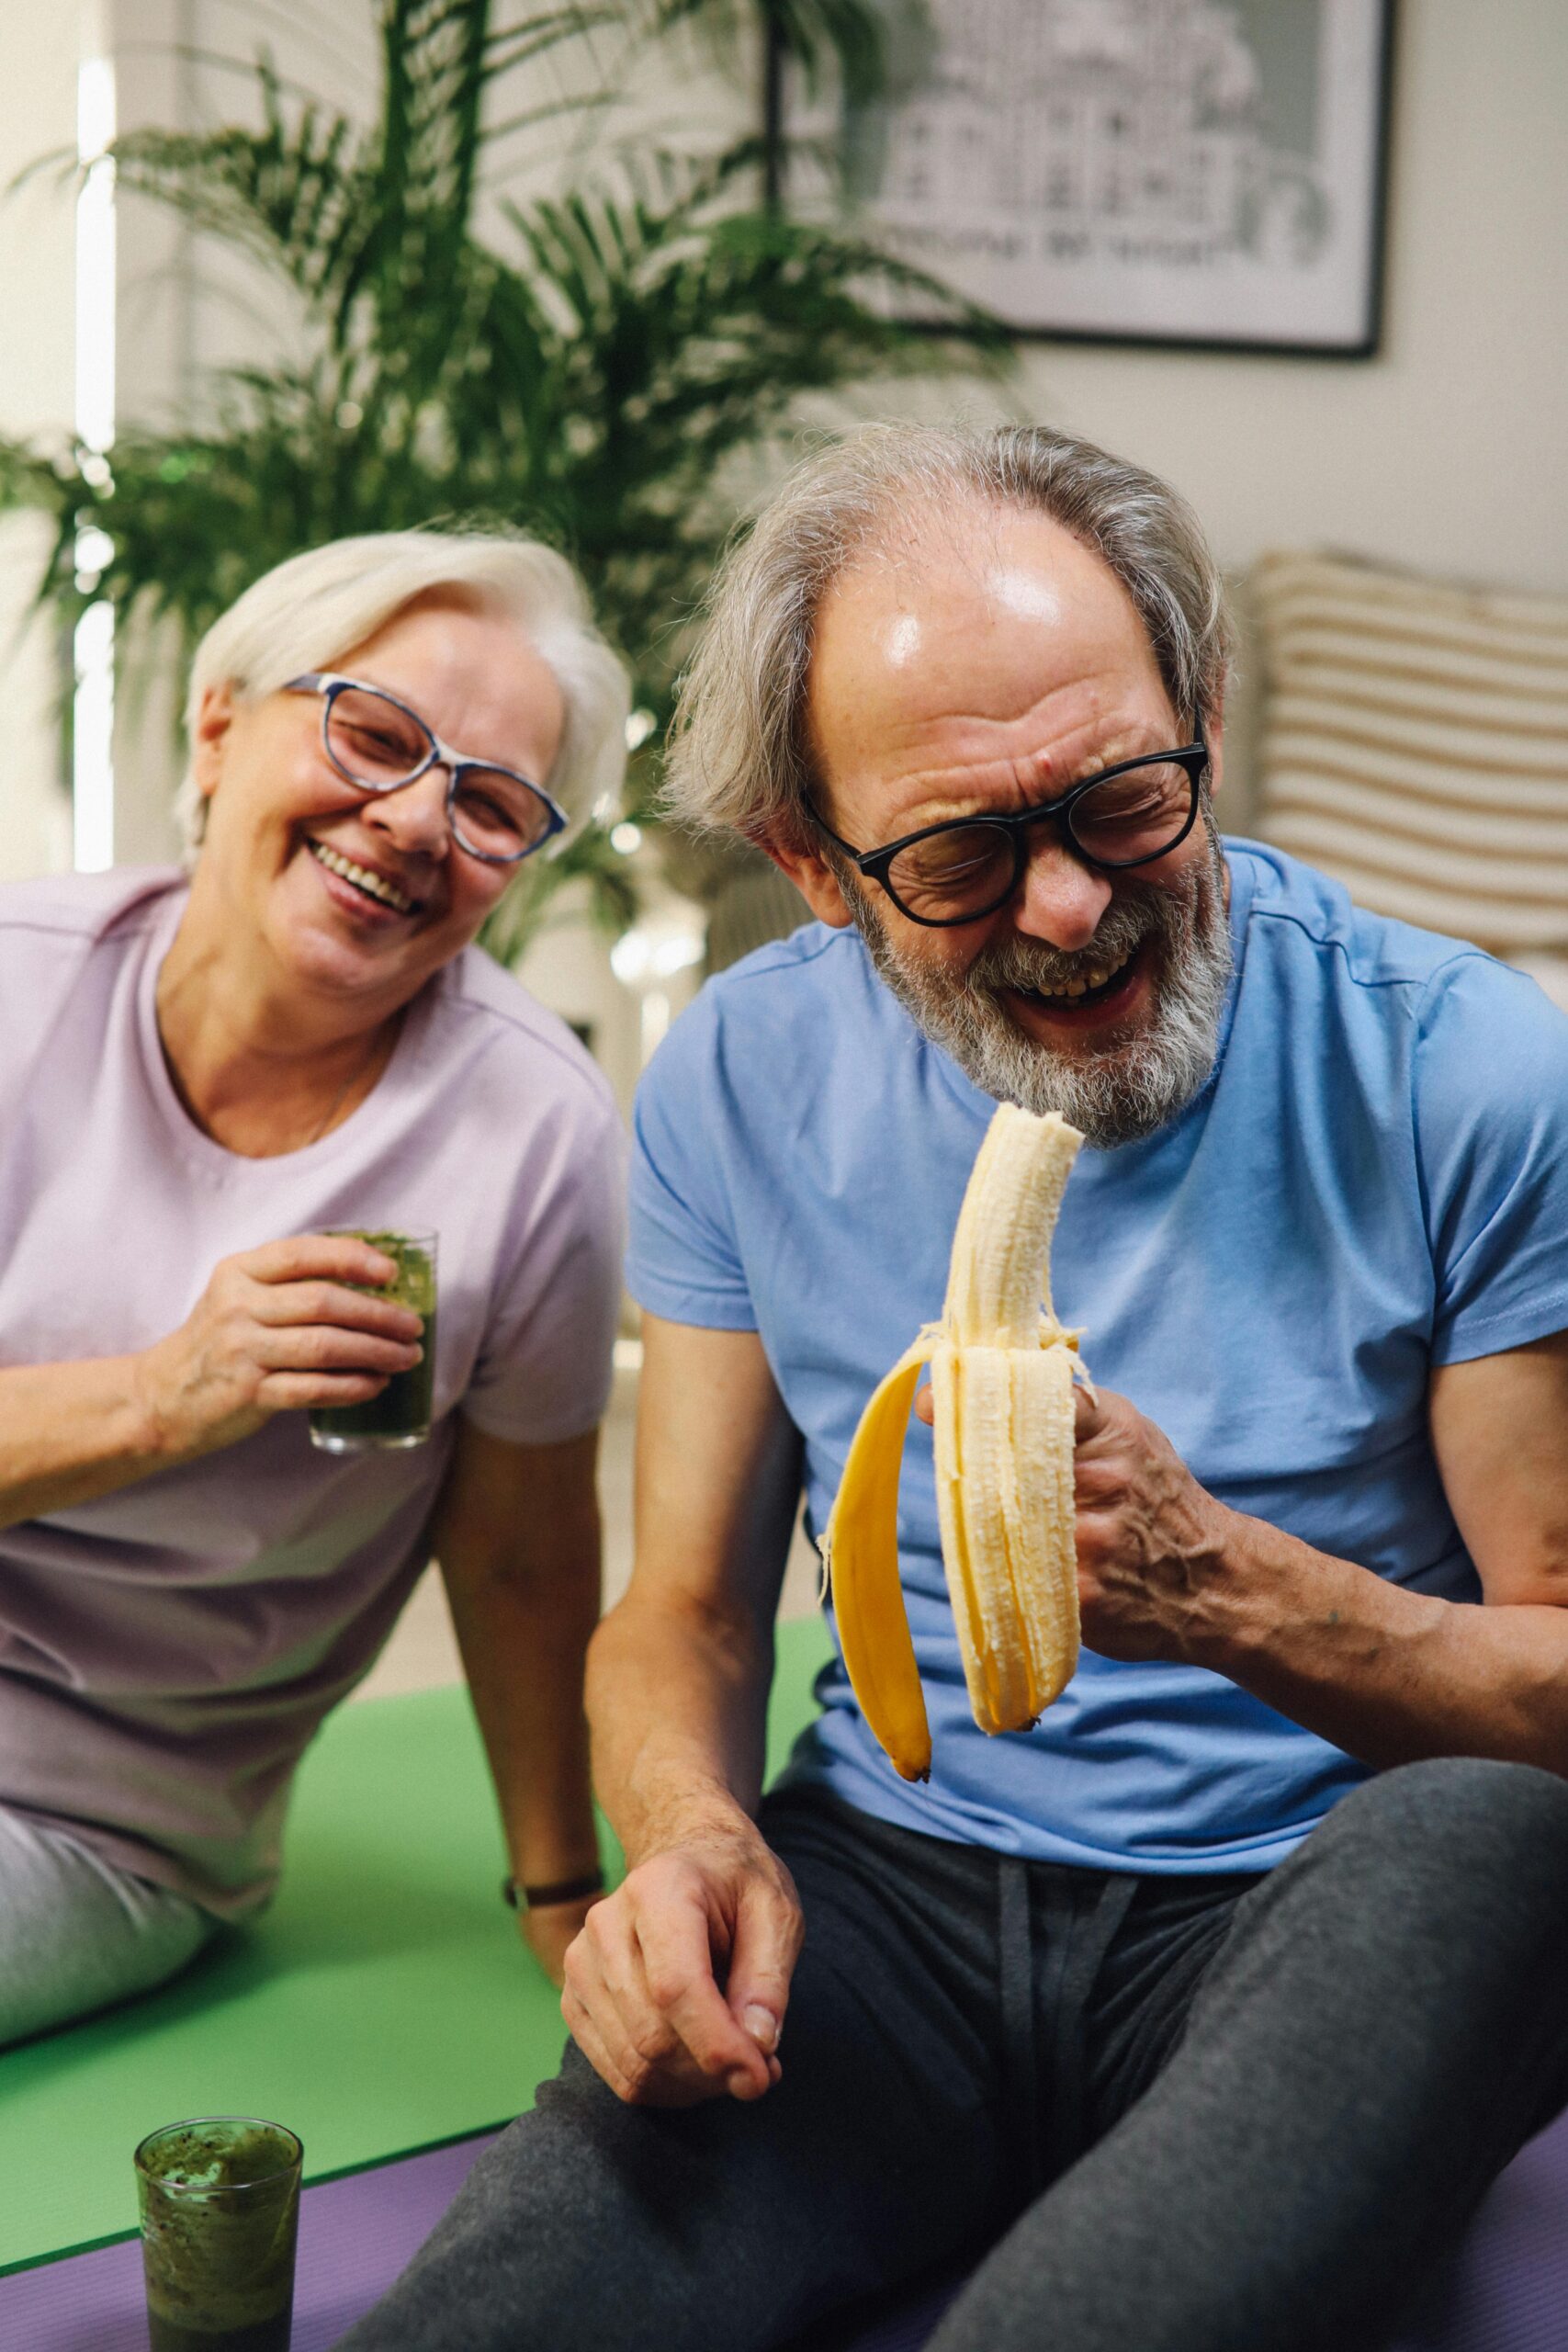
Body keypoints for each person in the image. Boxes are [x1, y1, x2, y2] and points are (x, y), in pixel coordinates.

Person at [338, 427, 1568, 2352]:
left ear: (1206, 719)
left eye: (1120, 800)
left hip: (1312, 1888)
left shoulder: (1463, 1064)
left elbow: (1549, 1672)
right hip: (890, 1892)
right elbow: (682, 1605)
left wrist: (1227, 1587)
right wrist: (684, 1837)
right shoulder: (741, 1077)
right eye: (962, 852)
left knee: (1499, 1837)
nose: (1069, 906)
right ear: (810, 863)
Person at [0, 528, 629, 2045]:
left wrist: (559, 1901)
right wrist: (164, 1395)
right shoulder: (18, 984)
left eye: (492, 804)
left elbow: (522, 1561)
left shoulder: (531, 1138)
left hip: (95, 1820)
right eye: (375, 733)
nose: (417, 819)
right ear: (218, 725)